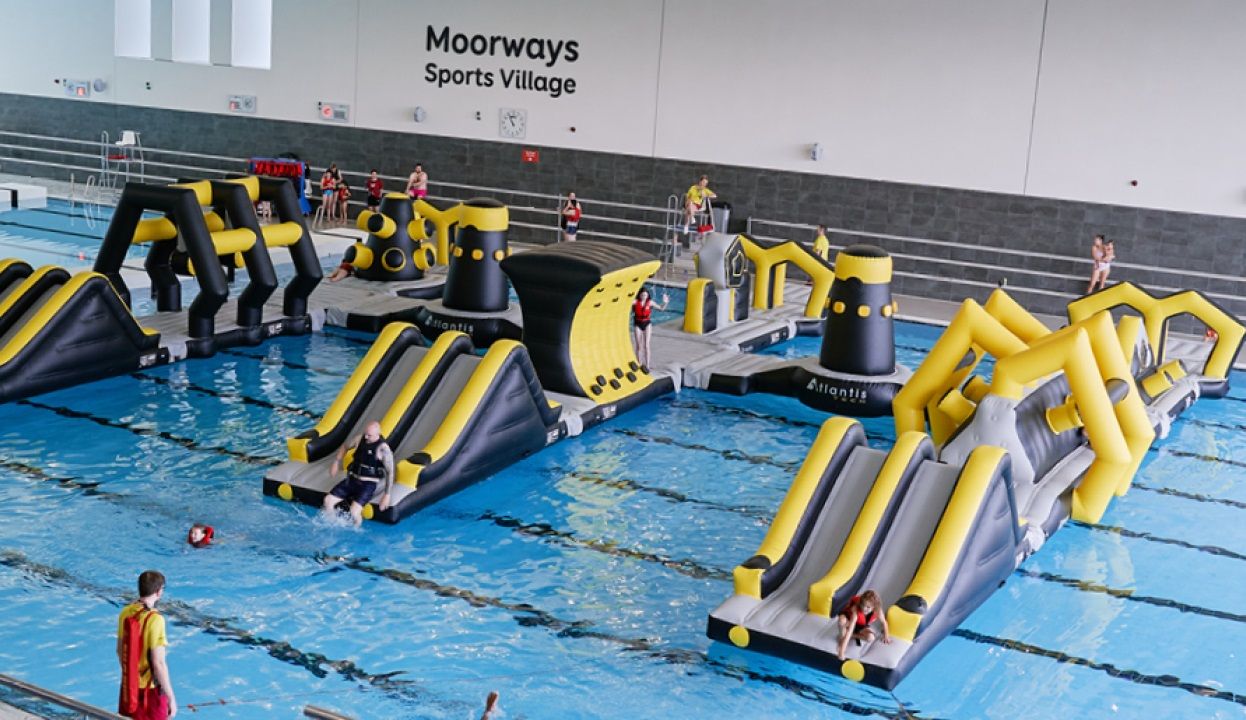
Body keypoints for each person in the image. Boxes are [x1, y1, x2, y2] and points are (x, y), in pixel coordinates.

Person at [117, 570, 177, 720]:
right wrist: (171, 697)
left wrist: (132, 674)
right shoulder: (155, 619)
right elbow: (158, 663)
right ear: (158, 591)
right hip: (150, 692)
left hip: (128, 686)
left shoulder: (126, 612)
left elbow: (119, 650)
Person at [322, 421, 394, 527]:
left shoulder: (383, 448)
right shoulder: (359, 439)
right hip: (351, 479)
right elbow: (345, 446)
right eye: (366, 434)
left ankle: (356, 529)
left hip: (367, 484)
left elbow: (390, 472)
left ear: (377, 434)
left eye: (369, 435)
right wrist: (336, 462)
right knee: (328, 501)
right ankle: (331, 524)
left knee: (354, 512)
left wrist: (387, 495)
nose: (366, 437)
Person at [836, 590, 891, 661]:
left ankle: (852, 635)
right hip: (849, 620)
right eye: (863, 605)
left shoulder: (878, 611)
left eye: (868, 607)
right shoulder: (855, 609)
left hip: (860, 625)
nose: (864, 608)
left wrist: (886, 635)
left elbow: (884, 622)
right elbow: (850, 630)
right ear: (861, 603)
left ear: (874, 607)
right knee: (842, 621)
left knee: (871, 638)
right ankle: (842, 636)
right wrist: (841, 652)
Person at [632, 287, 669, 372]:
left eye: (645, 295)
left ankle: (647, 365)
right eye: (642, 295)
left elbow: (661, 308)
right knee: (639, 346)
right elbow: (626, 302)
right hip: (638, 324)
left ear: (647, 295)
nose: (644, 297)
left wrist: (665, 302)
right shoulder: (635, 302)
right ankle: (639, 364)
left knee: (646, 345)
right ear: (639, 295)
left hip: (647, 324)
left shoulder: (650, 302)